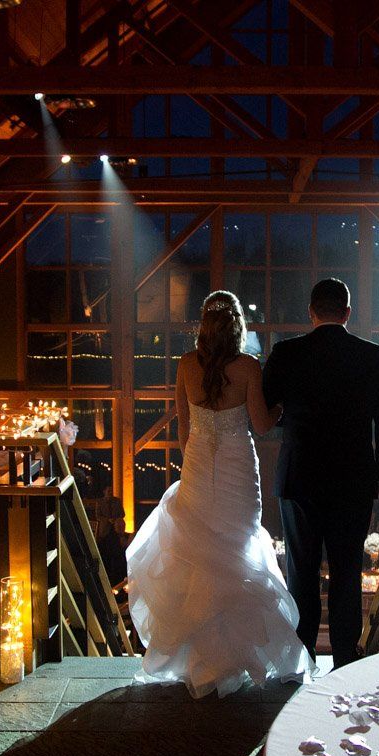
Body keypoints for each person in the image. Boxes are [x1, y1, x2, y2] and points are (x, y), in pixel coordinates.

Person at [126, 291, 312, 698]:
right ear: (237, 327)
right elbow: (262, 426)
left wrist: (194, 458)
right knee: (237, 548)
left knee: (197, 555)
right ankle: (232, 658)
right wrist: (280, 409)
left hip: (197, 463)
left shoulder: (186, 365)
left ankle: (200, 660)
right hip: (237, 467)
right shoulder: (247, 366)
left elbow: (182, 427)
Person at [262, 278, 379, 669]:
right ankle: (343, 662)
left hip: (299, 479)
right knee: (346, 573)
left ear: (311, 311)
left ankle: (301, 660)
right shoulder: (372, 357)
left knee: (301, 573)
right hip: (353, 482)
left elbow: (266, 410)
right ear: (347, 313)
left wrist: (291, 419)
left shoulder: (287, 354)